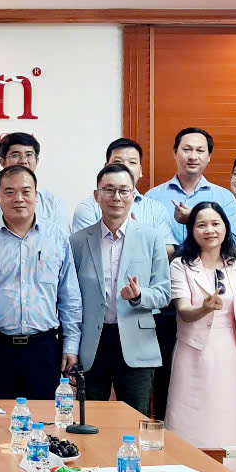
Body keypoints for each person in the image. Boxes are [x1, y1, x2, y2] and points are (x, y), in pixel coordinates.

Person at [0, 165, 82, 400]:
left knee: (45, 418)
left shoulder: (57, 237)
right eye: (10, 192)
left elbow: (69, 296)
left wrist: (71, 346)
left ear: (36, 196)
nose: (19, 198)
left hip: (43, 348)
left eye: (26, 191)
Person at [145, 127, 236, 419]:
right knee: (166, 377)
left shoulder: (223, 196)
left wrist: (192, 220)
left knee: (213, 379)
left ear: (209, 157)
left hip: (212, 298)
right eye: (186, 149)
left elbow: (230, 242)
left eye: (200, 150)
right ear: (175, 153)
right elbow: (148, 249)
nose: (193, 156)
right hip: (166, 298)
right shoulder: (154, 196)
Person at [69, 164, 171, 415]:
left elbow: (164, 293)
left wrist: (139, 296)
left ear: (133, 196)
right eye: (109, 190)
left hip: (137, 342)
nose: (116, 197)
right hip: (93, 342)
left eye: (124, 191)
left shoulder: (151, 237)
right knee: (89, 418)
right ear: (97, 195)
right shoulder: (78, 241)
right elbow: (71, 298)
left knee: (135, 419)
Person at [166, 201, 236, 472]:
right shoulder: (181, 264)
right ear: (192, 230)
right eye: (201, 225)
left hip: (229, 352)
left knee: (228, 418)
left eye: (215, 223)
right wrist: (204, 308)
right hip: (192, 353)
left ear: (226, 227)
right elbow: (183, 311)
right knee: (189, 418)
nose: (209, 230)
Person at [71, 139, 177, 256]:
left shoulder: (156, 208)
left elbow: (169, 249)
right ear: (106, 167)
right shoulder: (88, 208)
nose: (125, 167)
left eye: (132, 162)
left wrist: (142, 238)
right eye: (118, 161)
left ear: (140, 171)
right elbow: (84, 250)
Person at [0, 133, 65, 229]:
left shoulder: (52, 201)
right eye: (15, 155)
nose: (23, 161)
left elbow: (60, 236)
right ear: (3, 162)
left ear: (37, 161)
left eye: (29, 155)